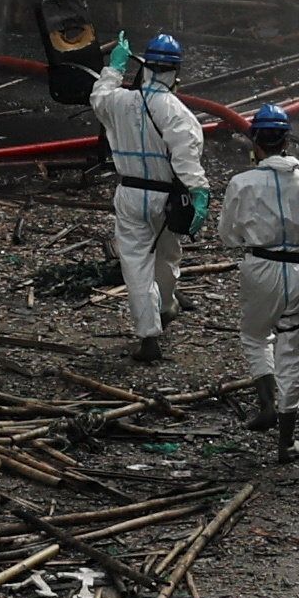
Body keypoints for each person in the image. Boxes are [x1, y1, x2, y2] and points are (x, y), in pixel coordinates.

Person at [90, 30, 209, 361]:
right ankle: (167, 305)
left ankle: (149, 337)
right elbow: (187, 161)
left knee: (136, 265)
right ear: (174, 72)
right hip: (166, 197)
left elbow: (98, 98)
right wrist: (200, 195)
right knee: (168, 255)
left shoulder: (120, 102)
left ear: (144, 67)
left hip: (130, 193)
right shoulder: (178, 112)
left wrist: (114, 67)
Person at [216, 102, 299, 459]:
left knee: (254, 335)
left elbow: (228, 235)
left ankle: (266, 404)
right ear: (287, 142)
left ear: (255, 142)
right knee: (292, 350)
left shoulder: (241, 183)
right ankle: (287, 441)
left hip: (260, 267)